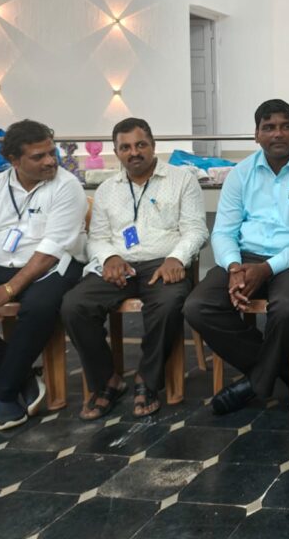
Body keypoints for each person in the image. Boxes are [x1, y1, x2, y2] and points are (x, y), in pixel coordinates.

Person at [183, 99, 289, 415]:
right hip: (244, 257)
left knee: (288, 308)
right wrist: (234, 267)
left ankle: (256, 383)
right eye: (269, 127)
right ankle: (275, 370)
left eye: (285, 126)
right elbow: (223, 231)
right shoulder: (241, 173)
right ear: (256, 135)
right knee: (197, 306)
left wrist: (267, 268)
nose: (278, 133)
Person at [62, 117, 208, 420]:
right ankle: (107, 381)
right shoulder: (107, 189)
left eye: (140, 145)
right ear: (117, 152)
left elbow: (196, 229)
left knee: (168, 304)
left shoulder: (182, 180)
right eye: (125, 147)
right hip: (121, 265)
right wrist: (109, 258)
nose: (134, 152)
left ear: (153, 145)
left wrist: (177, 258)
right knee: (74, 305)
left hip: (163, 262)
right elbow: (97, 238)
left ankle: (147, 379)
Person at [0, 120, 87, 430]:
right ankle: (22, 375)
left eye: (51, 152)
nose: (50, 161)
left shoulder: (67, 185)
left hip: (54, 265)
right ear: (13, 160)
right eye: (38, 156)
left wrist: (6, 291)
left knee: (40, 306)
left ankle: (4, 392)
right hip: (2, 265)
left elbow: (50, 251)